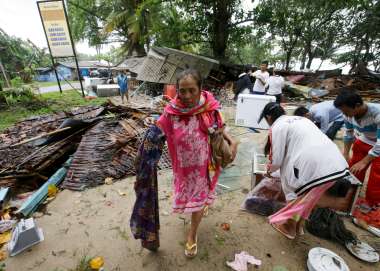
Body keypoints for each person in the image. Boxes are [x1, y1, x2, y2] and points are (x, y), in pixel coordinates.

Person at [156, 69, 237, 257]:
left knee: (198, 200)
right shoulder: (171, 112)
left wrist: (231, 140)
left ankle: (192, 235)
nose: (187, 96)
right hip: (182, 167)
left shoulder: (209, 107)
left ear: (201, 88)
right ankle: (199, 210)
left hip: (203, 166)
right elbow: (159, 130)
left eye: (192, 90)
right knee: (190, 197)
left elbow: (218, 127)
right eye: (182, 91)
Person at [260, 102, 352, 239]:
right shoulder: (301, 120)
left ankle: (288, 227)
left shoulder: (277, 126)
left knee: (295, 193)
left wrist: (269, 170)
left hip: (314, 165)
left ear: (268, 117)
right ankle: (299, 226)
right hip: (336, 162)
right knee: (308, 198)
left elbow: (277, 158)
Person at [334, 89, 380, 206]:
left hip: (378, 143)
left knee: (377, 176)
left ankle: (372, 203)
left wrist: (364, 162)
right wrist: (345, 154)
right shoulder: (348, 114)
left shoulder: (377, 113)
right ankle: (351, 194)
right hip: (366, 140)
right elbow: (348, 133)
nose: (344, 115)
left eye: (346, 111)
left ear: (357, 105)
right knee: (354, 169)